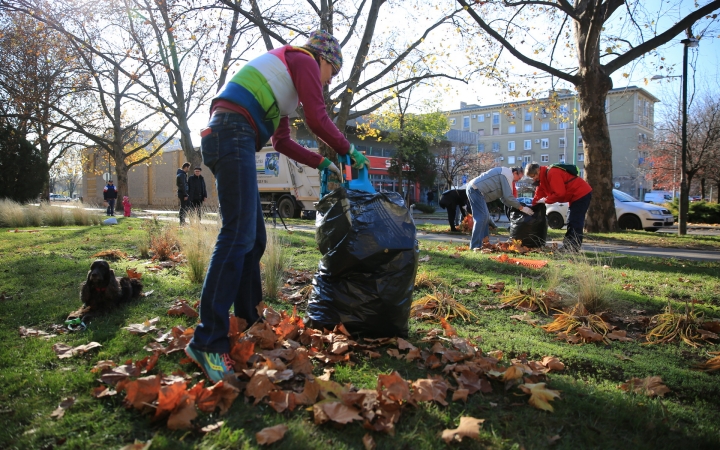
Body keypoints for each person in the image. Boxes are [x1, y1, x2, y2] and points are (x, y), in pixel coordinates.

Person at [185, 30, 368, 382]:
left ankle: (249, 323)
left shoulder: (282, 89)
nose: (328, 82)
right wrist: (345, 148)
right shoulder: (302, 59)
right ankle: (207, 339)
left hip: (232, 133)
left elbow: (282, 141)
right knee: (237, 234)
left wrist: (322, 163)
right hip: (231, 131)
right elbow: (317, 118)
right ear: (325, 59)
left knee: (253, 239)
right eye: (334, 73)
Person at [525, 163, 592, 252]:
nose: (533, 179)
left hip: (581, 194)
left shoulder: (552, 173)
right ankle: (568, 246)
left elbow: (560, 194)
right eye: (531, 177)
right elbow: (539, 194)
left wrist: (546, 200)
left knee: (575, 221)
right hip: (574, 196)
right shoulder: (542, 179)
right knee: (570, 221)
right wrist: (533, 206)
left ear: (538, 170)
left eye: (533, 176)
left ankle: (573, 248)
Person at [466, 167, 531, 250]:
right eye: (519, 178)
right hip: (476, 190)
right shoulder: (507, 174)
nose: (518, 180)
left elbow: (504, 198)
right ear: (515, 173)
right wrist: (522, 208)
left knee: (486, 218)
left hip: (476, 190)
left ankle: (484, 243)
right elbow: (508, 197)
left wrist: (515, 207)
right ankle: (475, 246)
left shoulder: (506, 175)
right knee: (481, 218)